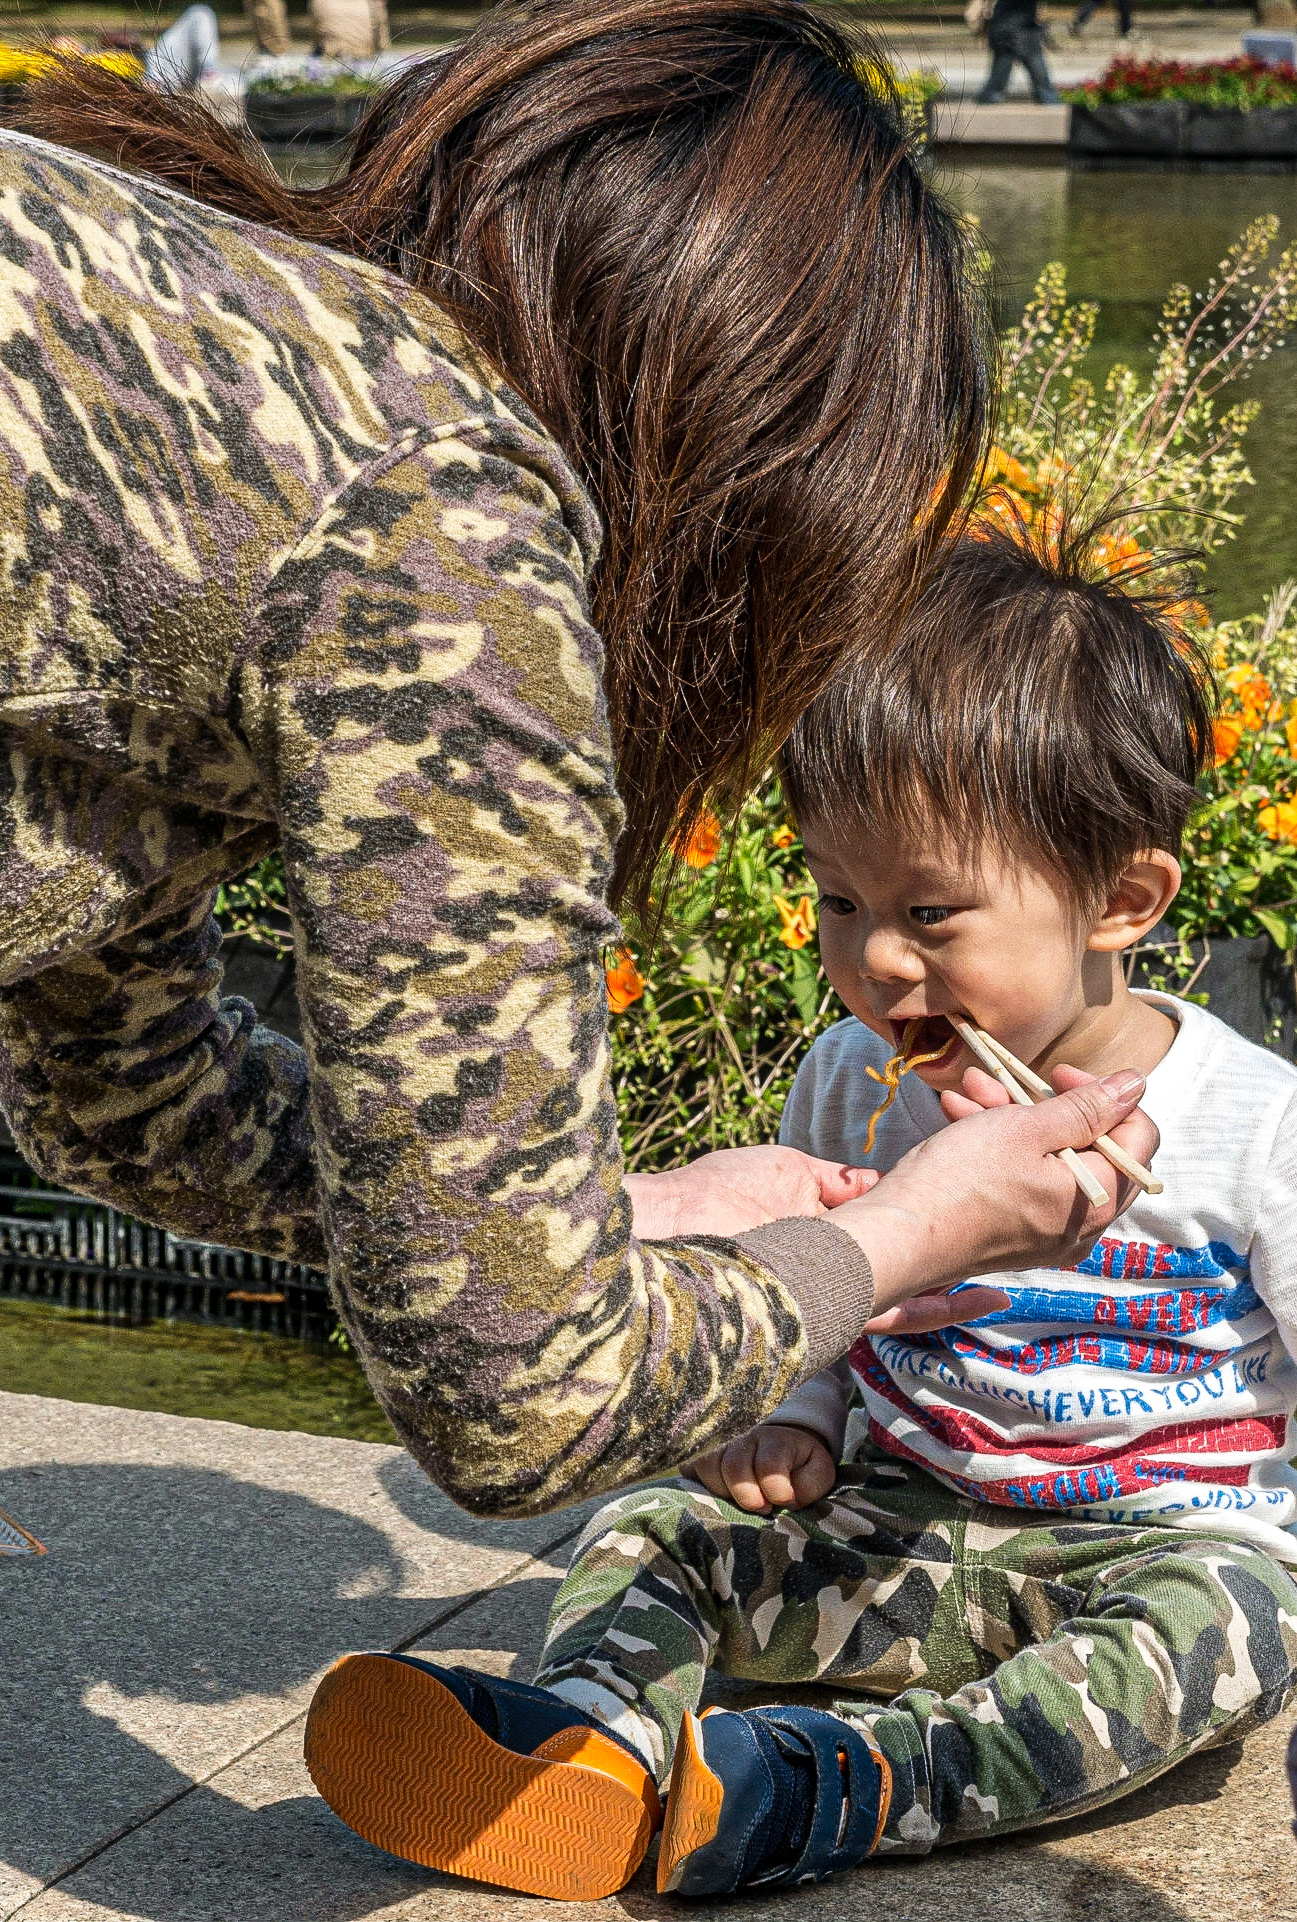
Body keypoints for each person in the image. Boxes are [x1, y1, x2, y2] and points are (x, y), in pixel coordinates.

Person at [0, 2, 1154, 1530]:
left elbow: (120, 1092)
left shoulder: (228, 353)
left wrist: (606, 1216)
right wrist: (905, 1234)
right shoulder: (439, 532)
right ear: (758, 468)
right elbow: (522, 1401)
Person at [301, 521, 1297, 1898]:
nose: (873, 959)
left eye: (932, 912)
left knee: (1223, 1629)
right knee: (650, 1518)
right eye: (836, 898)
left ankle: (861, 1784)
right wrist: (792, 1414)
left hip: (1142, 1547)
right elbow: (831, 1298)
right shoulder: (851, 1082)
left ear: (1118, 899)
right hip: (888, 1529)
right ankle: (595, 1745)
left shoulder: (1255, 1121)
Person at [977, 0, 1061, 103]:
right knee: (1043, 86)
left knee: (996, 85)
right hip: (1012, 35)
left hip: (1014, 34)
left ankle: (1049, 100)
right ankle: (1049, 99)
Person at [144, 3, 221, 91]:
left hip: (163, 70)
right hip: (163, 72)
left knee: (199, 12)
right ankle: (208, 70)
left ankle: (208, 70)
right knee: (200, 13)